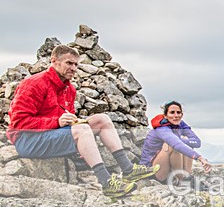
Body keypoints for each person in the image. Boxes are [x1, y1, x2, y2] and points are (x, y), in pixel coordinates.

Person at [6, 44, 158, 197]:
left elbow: (68, 122)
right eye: (69, 63)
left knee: (102, 119)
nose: (73, 68)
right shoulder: (34, 83)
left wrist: (71, 128)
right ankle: (106, 183)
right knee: (82, 130)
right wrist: (56, 122)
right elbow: (18, 123)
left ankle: (128, 169)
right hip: (27, 140)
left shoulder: (69, 88)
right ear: (54, 61)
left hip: (49, 134)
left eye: (76, 64)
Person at [138, 100, 212, 187]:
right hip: (153, 171)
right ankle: (184, 180)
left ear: (182, 115)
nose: (176, 115)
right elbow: (176, 145)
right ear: (165, 116)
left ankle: (186, 177)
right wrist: (200, 158)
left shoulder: (181, 125)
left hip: (170, 171)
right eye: (172, 112)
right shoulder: (162, 128)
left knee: (184, 141)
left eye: (178, 112)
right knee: (172, 145)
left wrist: (180, 140)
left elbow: (197, 142)